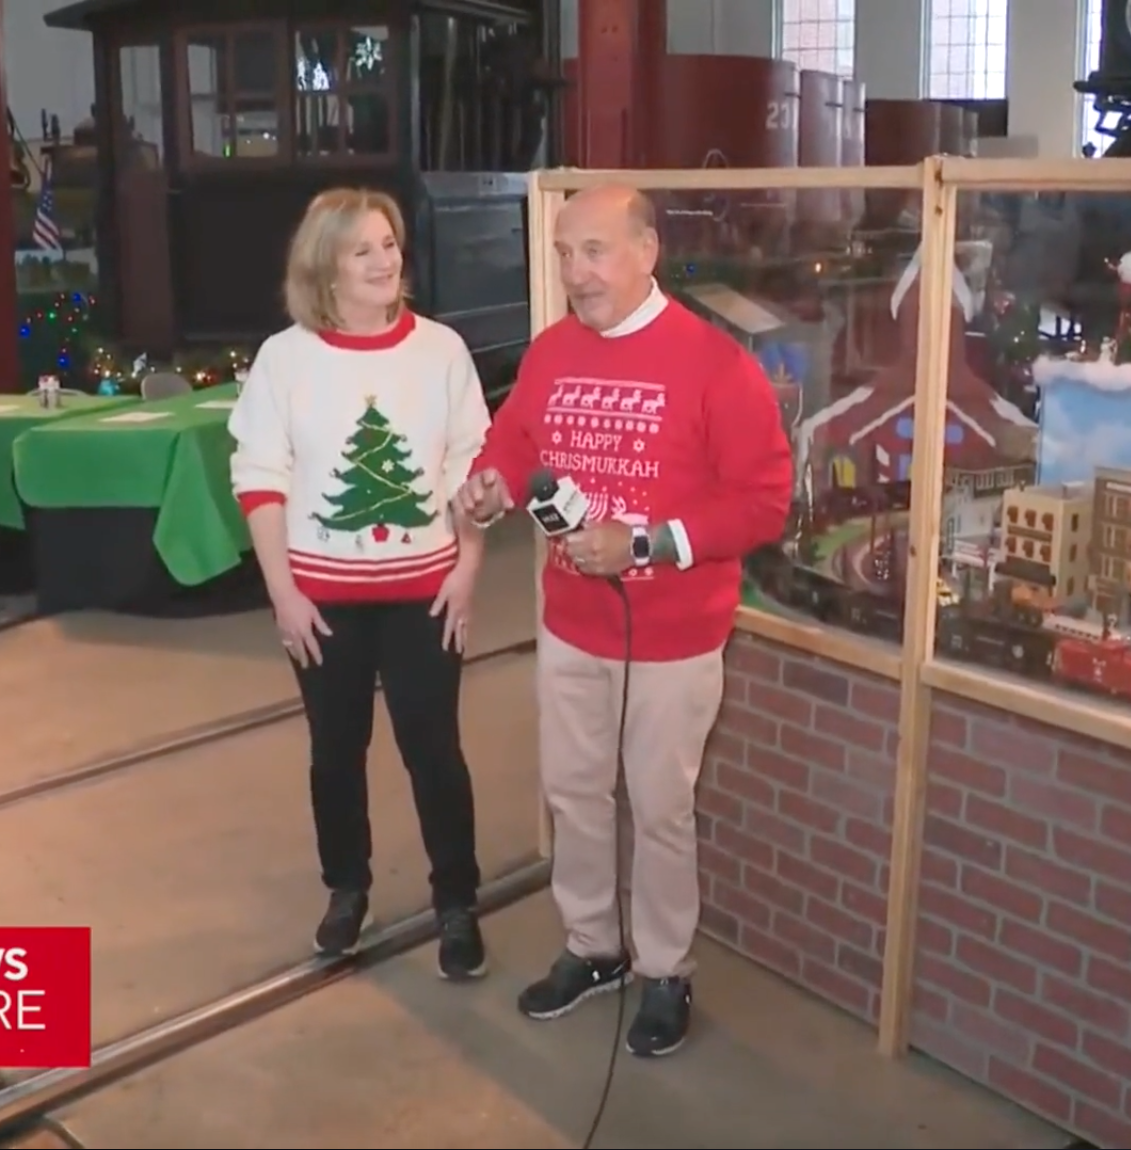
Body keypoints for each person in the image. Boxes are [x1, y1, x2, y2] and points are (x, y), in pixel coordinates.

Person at [453, 185, 793, 1055]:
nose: (576, 272)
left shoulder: (717, 366)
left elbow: (763, 504)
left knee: (659, 805)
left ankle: (665, 969)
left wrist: (648, 543)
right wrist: (491, 481)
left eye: (594, 251)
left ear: (646, 251)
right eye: (566, 253)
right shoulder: (552, 352)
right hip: (570, 624)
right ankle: (593, 947)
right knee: (572, 793)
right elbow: (516, 440)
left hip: (673, 639)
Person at [229, 188, 493, 980]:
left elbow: (469, 469)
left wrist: (469, 570)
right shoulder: (286, 359)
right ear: (326, 268)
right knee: (334, 753)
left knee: (434, 751)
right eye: (363, 251)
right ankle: (347, 888)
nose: (386, 261)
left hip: (425, 595)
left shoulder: (442, 351)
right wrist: (284, 595)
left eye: (389, 244)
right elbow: (260, 477)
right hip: (321, 601)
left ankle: (458, 902)